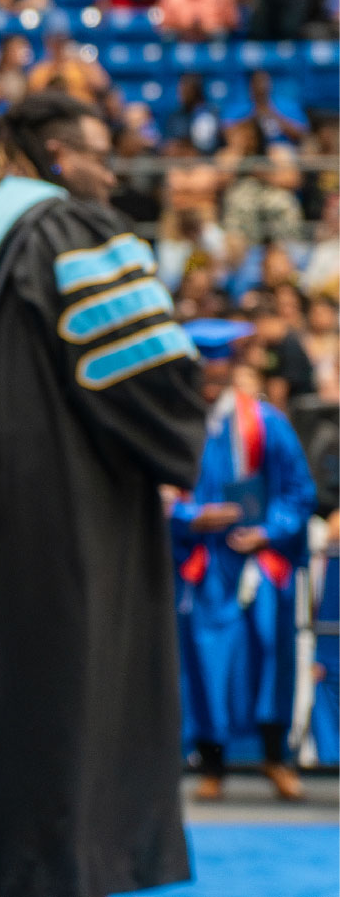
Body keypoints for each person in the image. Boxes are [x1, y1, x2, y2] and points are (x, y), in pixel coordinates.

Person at [0, 94, 209, 897]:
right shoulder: (63, 227)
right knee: (42, 695)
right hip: (42, 512)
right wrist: (181, 414)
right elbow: (148, 379)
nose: (108, 172)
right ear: (56, 155)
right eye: (96, 153)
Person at [169, 320, 316, 801]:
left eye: (217, 379)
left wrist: (268, 531)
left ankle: (275, 759)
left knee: (270, 655)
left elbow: (299, 492)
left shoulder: (267, 424)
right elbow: (160, 495)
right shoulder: (178, 426)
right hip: (206, 566)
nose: (210, 388)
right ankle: (212, 763)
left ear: (231, 373)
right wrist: (193, 517)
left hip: (260, 562)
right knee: (207, 662)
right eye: (203, 380)